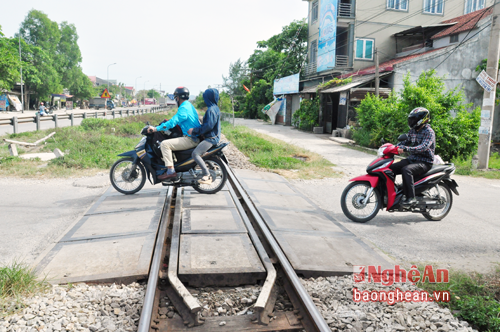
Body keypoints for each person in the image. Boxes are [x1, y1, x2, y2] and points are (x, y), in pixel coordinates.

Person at [147, 87, 200, 180]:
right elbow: (177, 121)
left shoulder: (184, 107)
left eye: (176, 97)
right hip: (193, 136)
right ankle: (174, 164)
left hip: (191, 139)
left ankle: (171, 171)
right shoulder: (188, 105)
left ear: (178, 98)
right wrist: (164, 125)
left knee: (165, 144)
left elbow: (173, 122)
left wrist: (156, 129)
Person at [389, 107, 435, 207]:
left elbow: (423, 147)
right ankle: (393, 192)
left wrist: (406, 149)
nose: (411, 122)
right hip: (413, 159)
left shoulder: (429, 132)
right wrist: (393, 147)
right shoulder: (413, 131)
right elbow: (405, 142)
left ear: (421, 120)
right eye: (411, 119)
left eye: (413, 119)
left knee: (406, 170)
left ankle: (411, 198)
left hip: (425, 162)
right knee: (390, 169)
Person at [187, 88, 221, 185]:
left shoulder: (211, 110)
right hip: (213, 137)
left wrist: (194, 130)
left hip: (211, 139)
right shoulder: (215, 108)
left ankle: (206, 175)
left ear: (207, 98)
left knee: (195, 154)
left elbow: (208, 126)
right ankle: (210, 167)